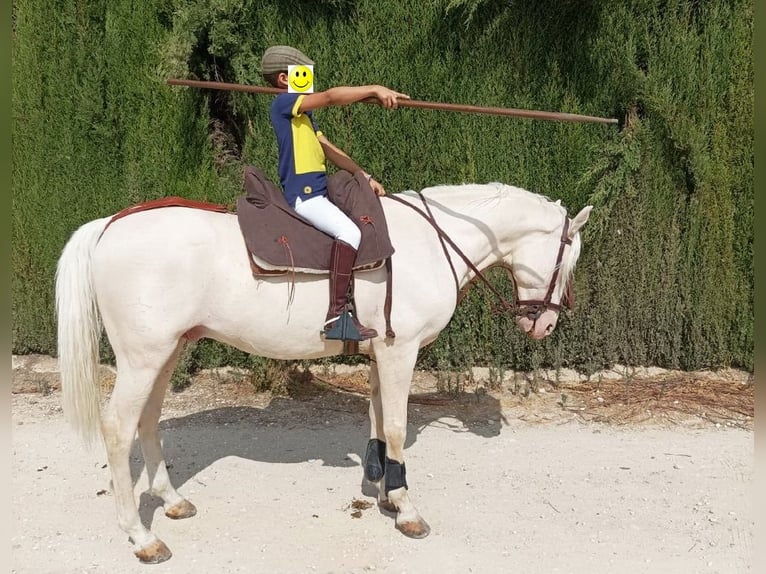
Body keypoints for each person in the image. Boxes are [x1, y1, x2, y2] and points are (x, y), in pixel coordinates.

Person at [261, 45, 409, 341]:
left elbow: (329, 150)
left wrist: (362, 175)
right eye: (302, 75)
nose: (309, 81)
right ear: (283, 79)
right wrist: (375, 88)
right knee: (350, 233)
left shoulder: (305, 117)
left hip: (318, 193)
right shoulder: (283, 104)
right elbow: (330, 97)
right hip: (304, 197)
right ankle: (336, 317)